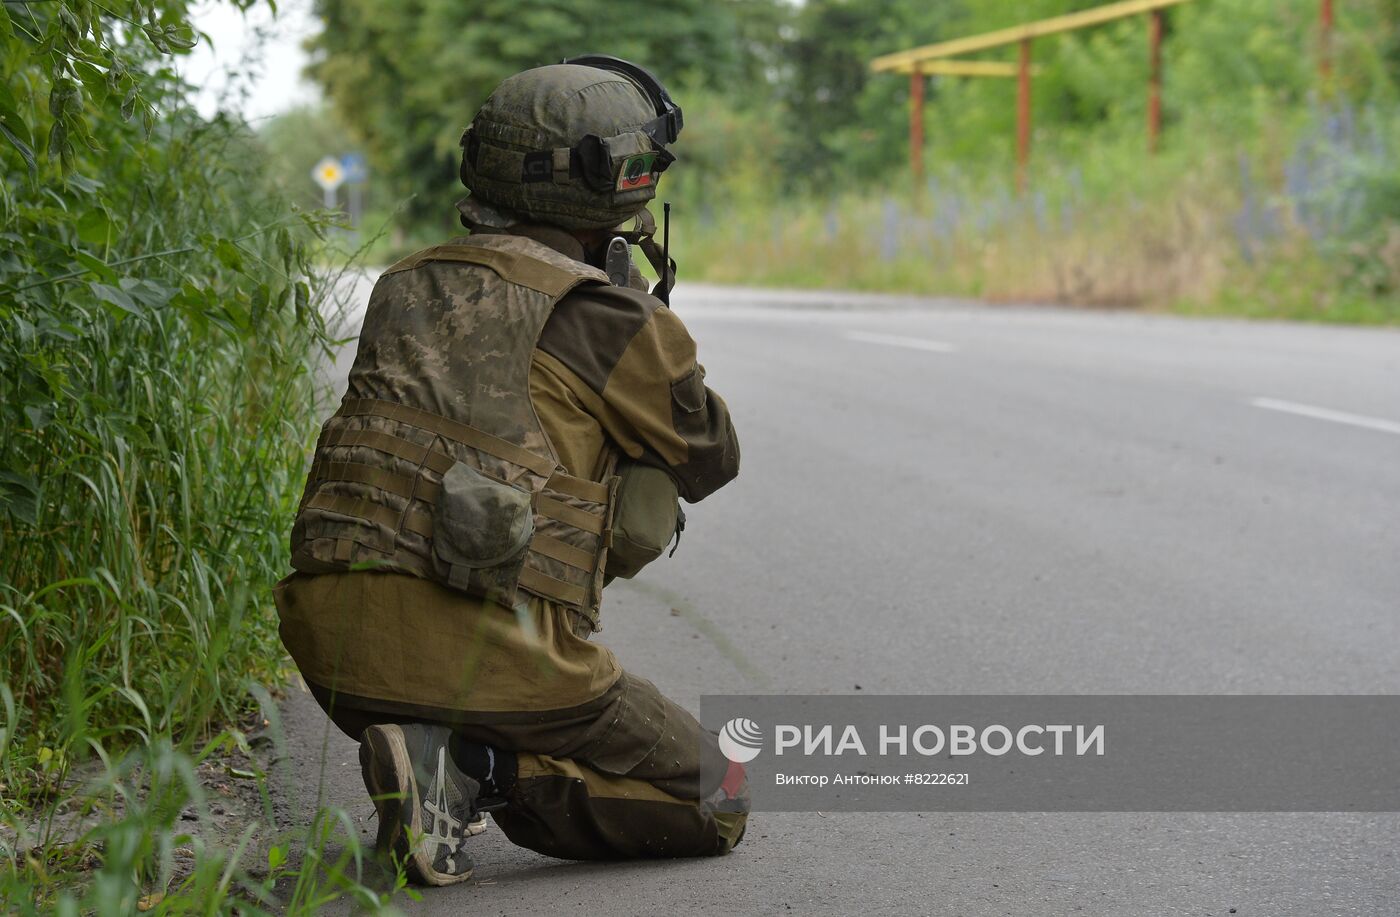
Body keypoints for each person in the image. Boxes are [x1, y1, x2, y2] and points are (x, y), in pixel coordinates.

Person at [272, 56, 748, 887]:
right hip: (500, 661)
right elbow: (709, 457)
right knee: (725, 790)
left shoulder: (401, 283)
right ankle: (479, 769)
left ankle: (436, 765)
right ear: (618, 184)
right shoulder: (607, 314)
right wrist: (646, 317)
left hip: (335, 651)